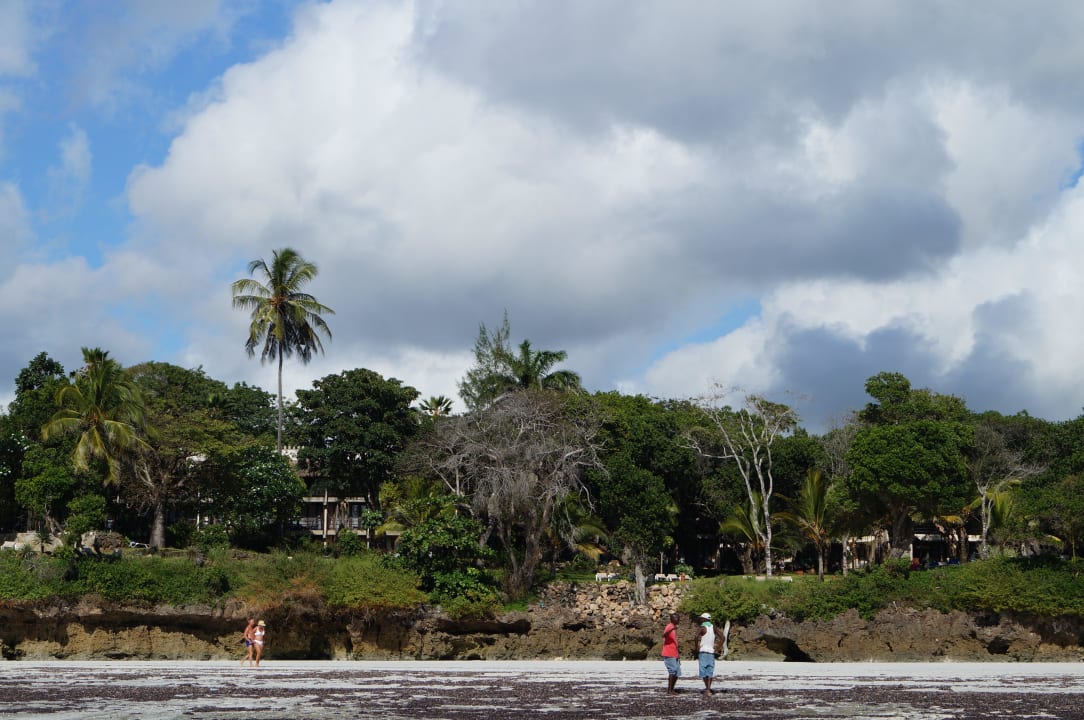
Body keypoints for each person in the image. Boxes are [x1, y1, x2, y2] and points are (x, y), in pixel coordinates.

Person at [697, 612, 719, 696]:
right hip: (711, 652)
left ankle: (707, 689)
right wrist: (717, 648)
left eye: (701, 619)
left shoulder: (702, 627)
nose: (700, 620)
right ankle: (708, 689)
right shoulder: (714, 627)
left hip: (703, 651)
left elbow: (696, 637)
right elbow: (723, 637)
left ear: (704, 619)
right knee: (710, 671)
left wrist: (696, 647)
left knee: (703, 672)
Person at [661, 611, 681, 695]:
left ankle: (672, 689)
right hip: (669, 653)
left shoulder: (674, 627)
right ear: (671, 619)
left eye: (678, 618)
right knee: (672, 671)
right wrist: (672, 629)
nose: (677, 619)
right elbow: (664, 635)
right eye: (675, 618)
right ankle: (669, 690)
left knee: (677, 672)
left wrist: (678, 654)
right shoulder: (669, 626)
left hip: (674, 653)